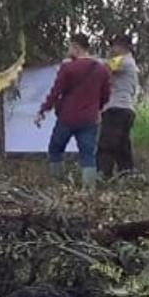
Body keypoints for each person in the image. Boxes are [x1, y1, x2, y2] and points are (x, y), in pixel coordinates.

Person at [35, 33, 111, 190]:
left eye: (70, 47)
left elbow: (56, 92)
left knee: (55, 148)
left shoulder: (68, 68)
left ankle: (58, 185)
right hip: (90, 118)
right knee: (88, 154)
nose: (68, 50)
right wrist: (97, 109)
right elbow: (106, 94)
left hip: (67, 117)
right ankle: (89, 190)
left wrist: (43, 110)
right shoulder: (102, 69)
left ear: (76, 48)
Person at [98, 34, 140, 179]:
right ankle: (127, 174)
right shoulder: (129, 63)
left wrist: (84, 60)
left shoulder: (124, 60)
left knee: (107, 143)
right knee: (122, 146)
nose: (112, 49)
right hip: (126, 109)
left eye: (114, 45)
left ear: (122, 47)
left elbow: (104, 67)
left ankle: (103, 174)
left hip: (117, 108)